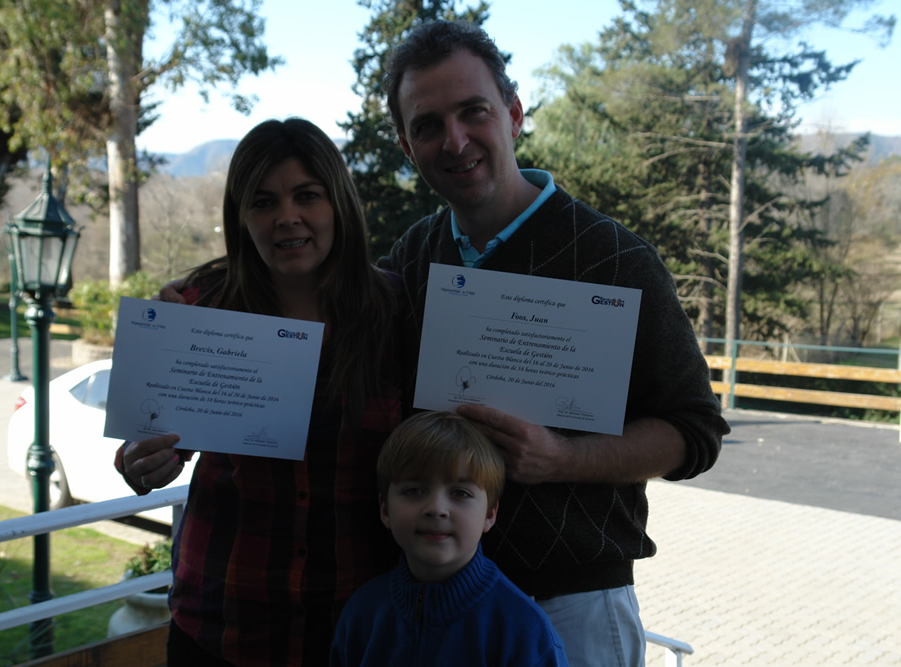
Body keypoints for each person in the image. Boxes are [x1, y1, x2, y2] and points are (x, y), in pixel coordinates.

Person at [377, 20, 731, 667]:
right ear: (406, 145)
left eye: (474, 111)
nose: (454, 140)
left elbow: (695, 432)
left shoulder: (615, 259)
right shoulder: (413, 255)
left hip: (572, 604)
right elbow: (329, 330)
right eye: (428, 125)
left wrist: (563, 456)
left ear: (514, 114)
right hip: (433, 601)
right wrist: (205, 299)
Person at [115, 118, 403, 666]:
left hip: (356, 629)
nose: (286, 217)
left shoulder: (396, 313)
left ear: (339, 203)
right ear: (241, 216)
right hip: (222, 623)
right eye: (264, 202)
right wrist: (142, 460)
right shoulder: (198, 305)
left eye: (307, 195)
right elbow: (146, 442)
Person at [329, 411, 569, 667]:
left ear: (490, 514)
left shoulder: (523, 630)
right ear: (385, 509)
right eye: (414, 490)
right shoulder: (362, 614)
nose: (436, 508)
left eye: (460, 493)